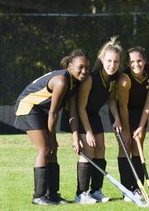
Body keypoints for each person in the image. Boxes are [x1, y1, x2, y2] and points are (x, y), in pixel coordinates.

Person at [14, 50, 90, 205]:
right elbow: (53, 112)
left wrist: (75, 138)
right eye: (80, 67)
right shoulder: (62, 81)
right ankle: (38, 196)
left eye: (87, 68)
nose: (84, 71)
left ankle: (53, 195)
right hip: (29, 107)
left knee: (53, 150)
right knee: (45, 149)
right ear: (70, 66)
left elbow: (73, 113)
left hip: (42, 111)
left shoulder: (75, 83)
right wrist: (52, 138)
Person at [74, 36, 123, 204]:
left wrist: (117, 118)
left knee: (101, 149)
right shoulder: (90, 79)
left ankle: (96, 190)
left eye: (116, 62)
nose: (112, 65)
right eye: (109, 61)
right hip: (82, 115)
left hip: (93, 115)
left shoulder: (112, 79)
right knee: (88, 151)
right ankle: (81, 193)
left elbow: (110, 100)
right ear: (102, 59)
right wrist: (88, 132)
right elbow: (80, 107)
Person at [116, 46, 149, 201]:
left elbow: (148, 103)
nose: (136, 64)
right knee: (125, 147)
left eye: (139, 60)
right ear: (127, 63)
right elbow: (123, 106)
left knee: (137, 147)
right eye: (132, 61)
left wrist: (140, 126)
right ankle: (126, 189)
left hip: (141, 113)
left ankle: (138, 189)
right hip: (123, 112)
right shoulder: (124, 79)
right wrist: (126, 130)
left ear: (144, 61)